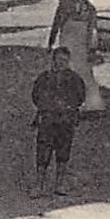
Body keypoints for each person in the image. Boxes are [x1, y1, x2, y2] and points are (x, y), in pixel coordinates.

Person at [31, 47, 87, 196]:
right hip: (48, 120)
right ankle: (38, 186)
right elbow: (35, 95)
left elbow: (81, 97)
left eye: (64, 60)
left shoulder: (74, 79)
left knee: (63, 153)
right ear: (53, 60)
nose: (61, 63)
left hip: (66, 120)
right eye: (59, 60)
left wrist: (69, 108)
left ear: (68, 62)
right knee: (43, 153)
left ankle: (59, 185)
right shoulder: (44, 78)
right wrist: (46, 108)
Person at [48, 0, 105, 112]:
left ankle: (89, 103)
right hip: (67, 42)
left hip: (81, 45)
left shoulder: (91, 10)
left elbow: (92, 31)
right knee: (66, 69)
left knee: (84, 72)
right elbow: (57, 23)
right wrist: (51, 42)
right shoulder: (66, 5)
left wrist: (92, 48)